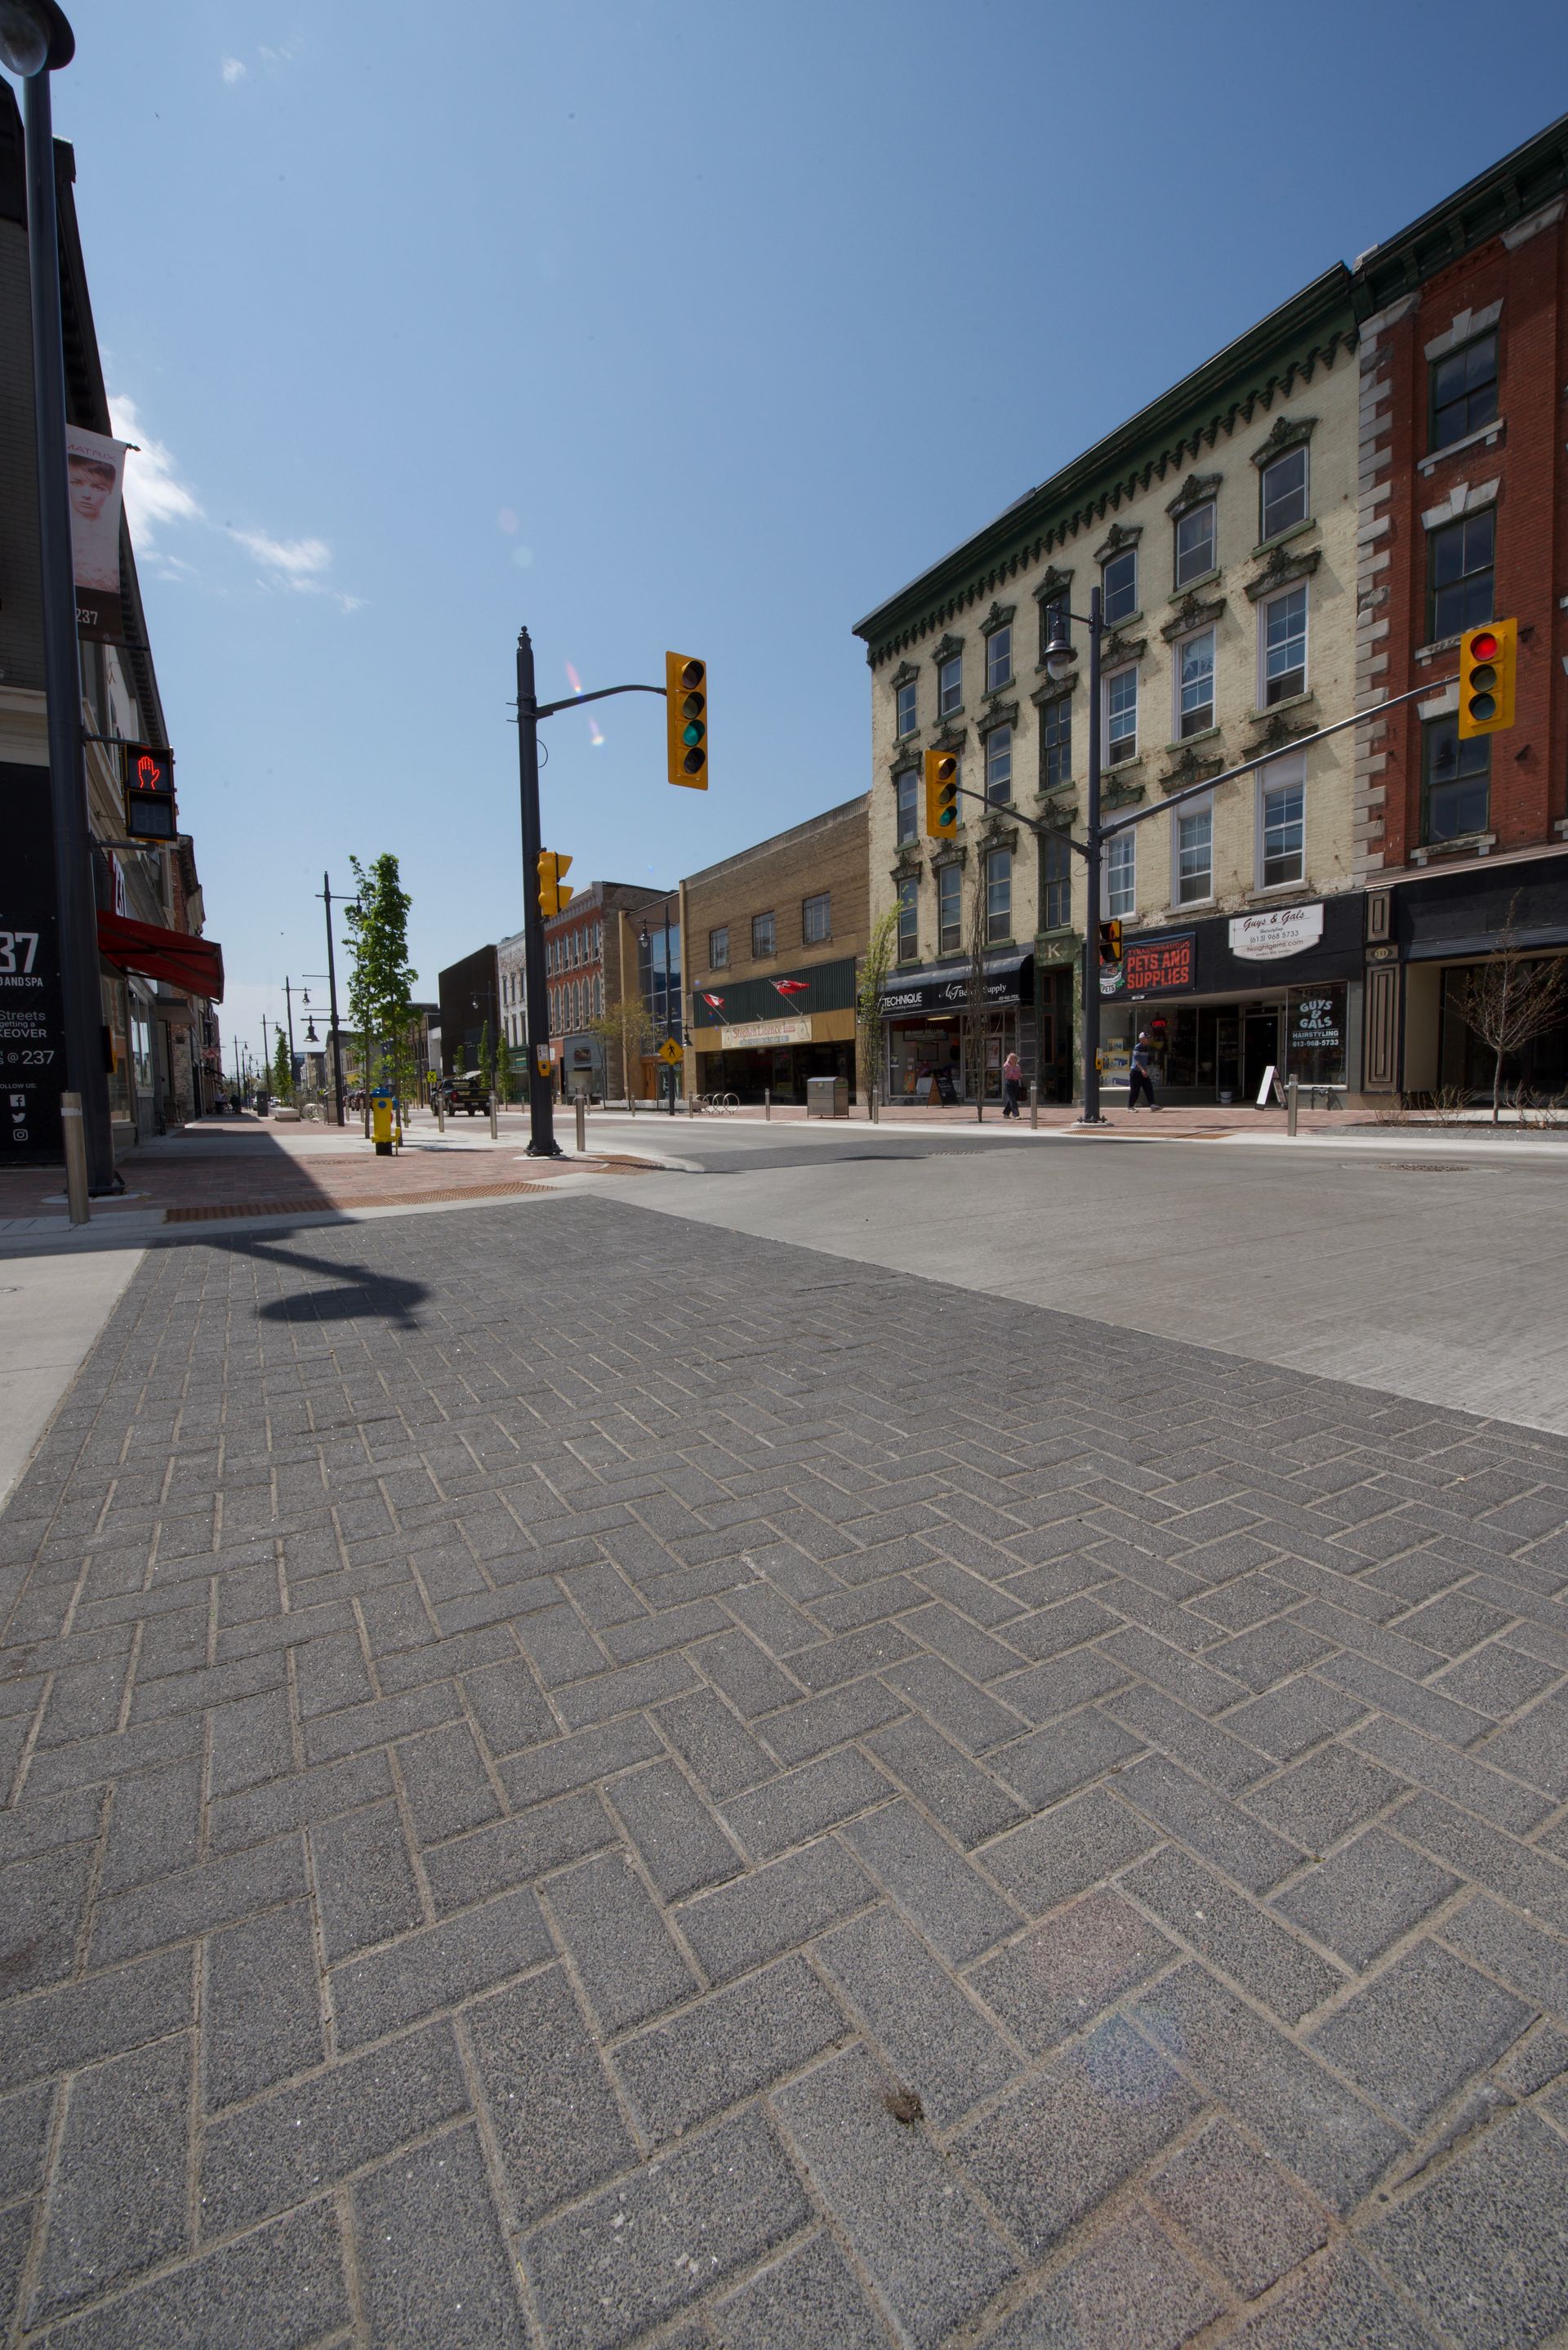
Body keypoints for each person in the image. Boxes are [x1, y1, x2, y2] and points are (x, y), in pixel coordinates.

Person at [1128, 1031, 1158, 1111]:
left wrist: (1145, 1071)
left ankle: (1153, 1105)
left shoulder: (1146, 1048)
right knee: (1135, 1091)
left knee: (1149, 1087)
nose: (1148, 1040)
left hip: (1143, 1072)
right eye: (1147, 1038)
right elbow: (1136, 1061)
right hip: (1136, 1072)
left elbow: (1144, 1061)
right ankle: (1130, 1107)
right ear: (1142, 1039)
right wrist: (1143, 1071)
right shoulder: (1137, 1048)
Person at [1001, 1050, 1022, 1117]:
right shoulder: (1007, 1065)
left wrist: (1020, 1075)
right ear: (1009, 1059)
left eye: (1014, 1058)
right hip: (1009, 1082)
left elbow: (1018, 1075)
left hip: (1016, 1083)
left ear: (1017, 1059)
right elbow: (1006, 1069)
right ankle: (1016, 1115)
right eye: (1011, 1058)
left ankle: (1006, 1113)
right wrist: (1008, 1061)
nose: (1013, 1059)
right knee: (1012, 1099)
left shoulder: (1018, 1067)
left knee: (1012, 1098)